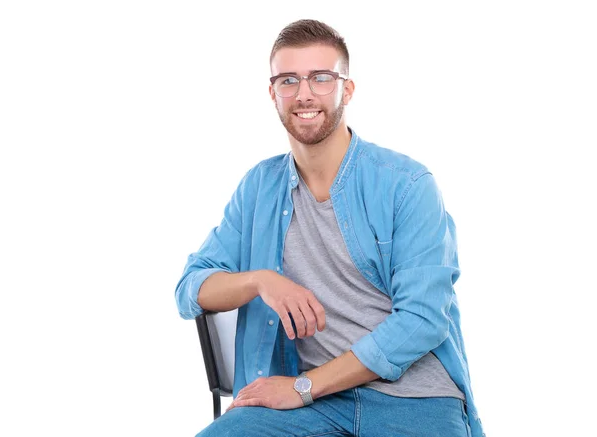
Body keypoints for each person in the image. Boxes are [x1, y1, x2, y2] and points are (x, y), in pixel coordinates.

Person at [175, 19, 484, 437]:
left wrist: (303, 387)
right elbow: (190, 289)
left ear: (347, 89)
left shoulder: (407, 184)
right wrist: (261, 281)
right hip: (309, 409)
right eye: (289, 80)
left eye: (321, 78)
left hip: (413, 399)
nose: (304, 93)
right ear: (273, 93)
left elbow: (422, 320)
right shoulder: (258, 189)